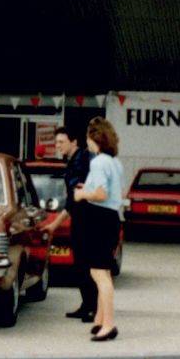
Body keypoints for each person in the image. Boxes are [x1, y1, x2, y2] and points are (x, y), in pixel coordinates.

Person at [73, 117, 125, 342]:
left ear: (95, 138)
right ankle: (101, 320)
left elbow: (101, 195)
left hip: (98, 218)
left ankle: (109, 325)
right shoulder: (115, 162)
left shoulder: (98, 162)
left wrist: (82, 194)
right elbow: (113, 192)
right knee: (104, 272)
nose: (87, 142)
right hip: (111, 218)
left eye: (88, 137)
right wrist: (89, 187)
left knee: (98, 273)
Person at [55, 125, 97, 322]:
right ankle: (86, 304)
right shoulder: (73, 161)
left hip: (88, 219)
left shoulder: (84, 160)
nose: (58, 146)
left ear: (74, 142)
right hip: (79, 218)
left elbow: (81, 193)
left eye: (61, 142)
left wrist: (55, 223)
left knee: (87, 264)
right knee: (80, 264)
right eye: (56, 142)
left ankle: (93, 308)